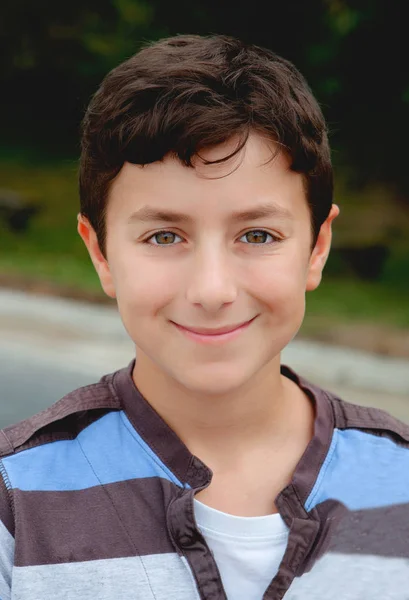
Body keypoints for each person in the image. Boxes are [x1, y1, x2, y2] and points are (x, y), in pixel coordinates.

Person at [1, 34, 408, 600]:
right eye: (164, 236)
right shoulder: (14, 501)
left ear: (317, 247)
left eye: (257, 235)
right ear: (100, 254)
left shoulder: (402, 489)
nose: (212, 289)